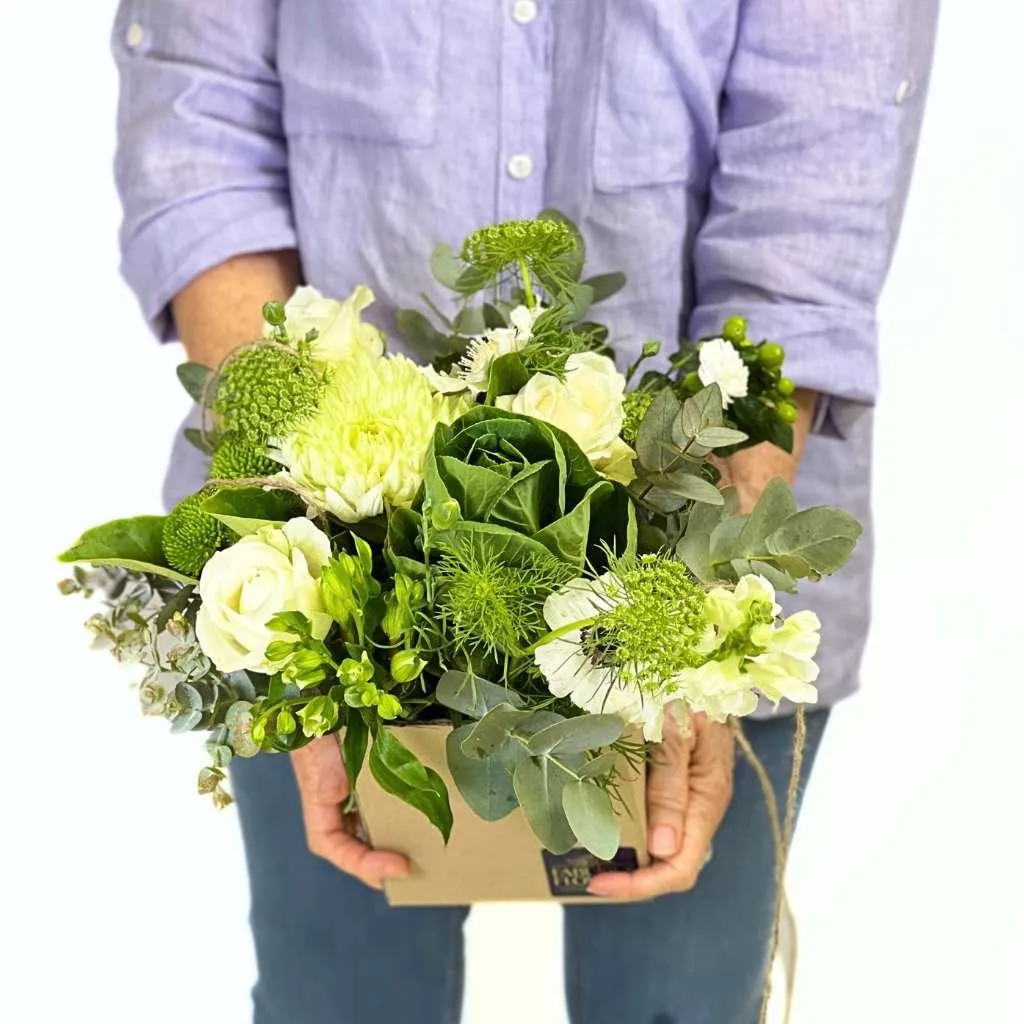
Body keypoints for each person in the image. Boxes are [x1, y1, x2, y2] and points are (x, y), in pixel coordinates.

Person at [112, 2, 938, 1021]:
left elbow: (813, 181)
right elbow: (197, 111)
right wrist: (295, 567)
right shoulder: (301, 572)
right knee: (341, 1002)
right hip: (317, 544)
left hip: (706, 534)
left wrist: (702, 609)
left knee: (673, 1006)